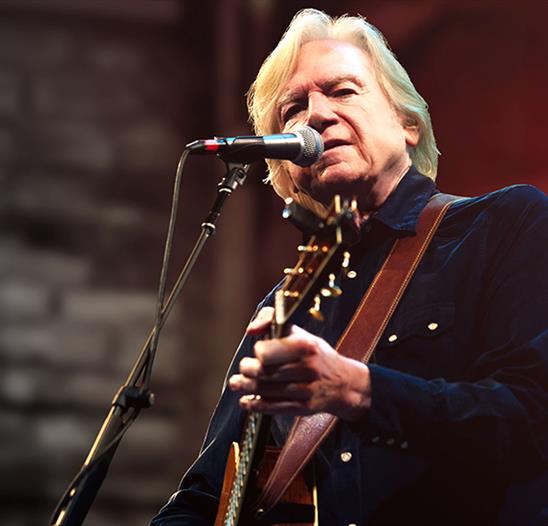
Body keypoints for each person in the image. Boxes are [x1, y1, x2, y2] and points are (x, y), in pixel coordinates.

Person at [152, 8, 547, 526]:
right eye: (293, 107)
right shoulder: (284, 306)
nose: (314, 116)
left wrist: (358, 391)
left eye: (341, 91)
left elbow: (532, 418)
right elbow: (207, 497)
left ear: (407, 124)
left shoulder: (504, 225)